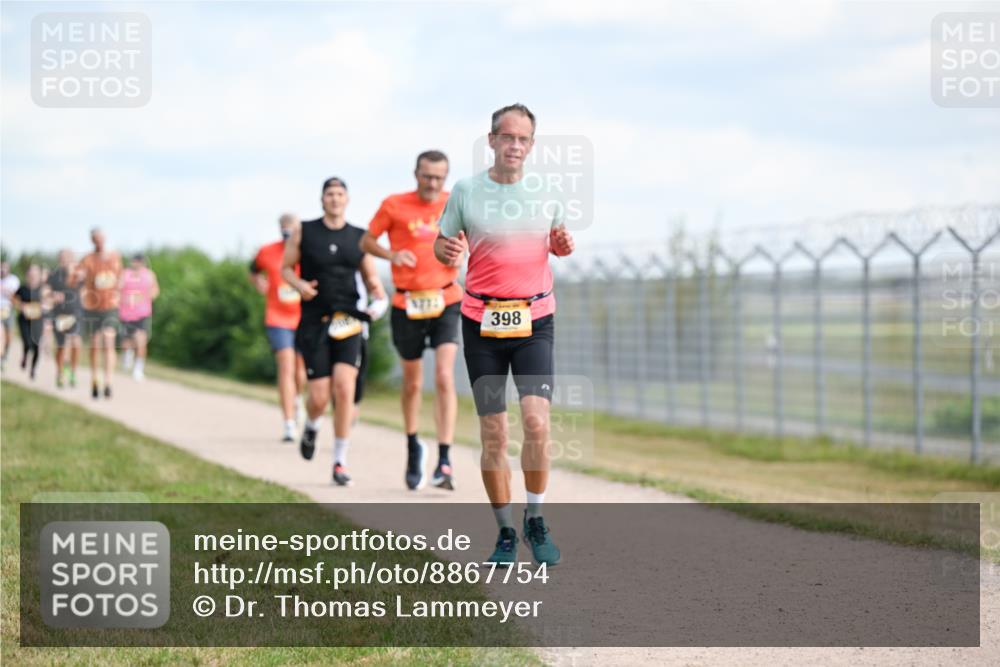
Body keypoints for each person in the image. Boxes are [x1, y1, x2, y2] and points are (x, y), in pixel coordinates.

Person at [434, 103, 575, 566]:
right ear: (491, 140)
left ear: (531, 146)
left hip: (534, 321)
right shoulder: (467, 191)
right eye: (507, 137)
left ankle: (535, 518)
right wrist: (447, 248)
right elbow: (442, 243)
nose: (515, 146)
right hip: (481, 322)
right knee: (493, 433)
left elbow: (557, 241)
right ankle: (505, 532)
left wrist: (562, 245)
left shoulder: (547, 191)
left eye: (523, 139)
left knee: (536, 422)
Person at [360, 150, 461, 491]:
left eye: (439, 178)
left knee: (445, 376)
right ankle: (413, 444)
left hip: (446, 297)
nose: (433, 184)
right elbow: (367, 241)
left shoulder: (455, 203)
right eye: (427, 176)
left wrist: (465, 251)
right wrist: (391, 255)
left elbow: (476, 240)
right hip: (407, 303)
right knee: (413, 383)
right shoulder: (394, 204)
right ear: (416, 174)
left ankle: (445, 460)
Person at [282, 177, 388, 486]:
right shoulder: (304, 231)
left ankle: (340, 461)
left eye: (340, 194)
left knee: (344, 388)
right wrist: (299, 285)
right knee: (318, 396)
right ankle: (312, 425)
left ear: (347, 199)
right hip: (315, 320)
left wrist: (377, 303)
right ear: (322, 199)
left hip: (349, 320)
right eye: (330, 194)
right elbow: (286, 268)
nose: (335, 199)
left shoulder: (358, 237)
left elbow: (372, 282)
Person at [251, 213, 308, 442]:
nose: (287, 231)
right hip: (277, 318)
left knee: (300, 372)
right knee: (286, 365)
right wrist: (259, 283)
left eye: (291, 228)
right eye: (283, 227)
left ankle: (297, 398)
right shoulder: (267, 251)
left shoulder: (307, 251)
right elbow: (253, 270)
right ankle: (288, 423)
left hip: (303, 318)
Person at [80, 227, 123, 399]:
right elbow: (82, 280)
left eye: (101, 238)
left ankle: (109, 381)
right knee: (95, 344)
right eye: (95, 239)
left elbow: (120, 278)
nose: (99, 241)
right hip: (93, 307)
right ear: (92, 241)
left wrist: (117, 291)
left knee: (108, 340)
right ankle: (95, 379)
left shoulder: (114, 257)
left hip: (110, 306)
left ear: (105, 239)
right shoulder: (87, 260)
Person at [118, 253, 160, 381]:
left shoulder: (149, 275)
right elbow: (117, 289)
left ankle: (138, 369)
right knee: (127, 341)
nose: (135, 263)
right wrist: (124, 299)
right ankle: (127, 355)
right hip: (125, 313)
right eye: (134, 261)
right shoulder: (124, 274)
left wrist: (143, 297)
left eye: (138, 261)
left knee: (141, 340)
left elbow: (155, 291)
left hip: (142, 313)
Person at [47, 249, 84, 388]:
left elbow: (84, 287)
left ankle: (73, 372)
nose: (65, 259)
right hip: (59, 314)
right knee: (62, 346)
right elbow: (46, 291)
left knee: (76, 342)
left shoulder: (78, 275)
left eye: (68, 257)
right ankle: (60, 372)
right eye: (62, 257)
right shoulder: (54, 275)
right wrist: (52, 296)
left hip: (75, 313)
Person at [13, 264, 45, 379]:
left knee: (36, 346)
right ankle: (25, 356)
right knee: (27, 343)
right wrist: (20, 306)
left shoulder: (42, 289)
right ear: (28, 275)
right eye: (31, 273)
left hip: (37, 321)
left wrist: (44, 305)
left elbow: (49, 301)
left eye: (35, 273)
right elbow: (14, 300)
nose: (33, 275)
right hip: (24, 321)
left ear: (38, 275)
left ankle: (33, 369)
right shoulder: (22, 289)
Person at [1, 262, 20, 371]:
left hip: (9, 310)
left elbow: (16, 297)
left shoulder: (13, 280)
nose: (2, 270)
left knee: (9, 336)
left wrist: (7, 292)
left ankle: (5, 356)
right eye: (1, 268)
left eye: (4, 268)